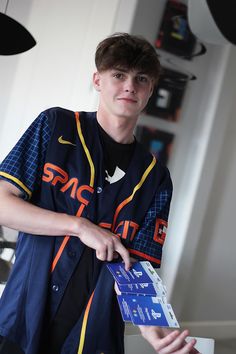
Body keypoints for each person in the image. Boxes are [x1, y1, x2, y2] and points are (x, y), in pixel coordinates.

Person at [0, 32, 199, 354]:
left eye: (142, 78)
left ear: (150, 90)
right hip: (21, 315)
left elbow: (135, 272)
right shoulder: (56, 126)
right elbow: (2, 205)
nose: (130, 86)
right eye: (118, 75)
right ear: (98, 80)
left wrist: (157, 336)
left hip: (92, 333)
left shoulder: (156, 178)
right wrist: (79, 226)